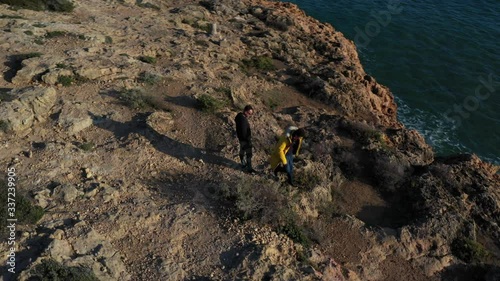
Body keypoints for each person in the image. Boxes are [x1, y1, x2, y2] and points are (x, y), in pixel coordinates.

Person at [235, 105, 255, 172]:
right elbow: (244, 131)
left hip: (241, 139)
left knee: (242, 150)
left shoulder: (239, 116)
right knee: (249, 154)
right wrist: (248, 140)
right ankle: (249, 168)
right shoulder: (243, 119)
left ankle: (243, 164)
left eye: (250, 114)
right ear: (245, 111)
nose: (249, 115)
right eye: (249, 113)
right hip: (245, 139)